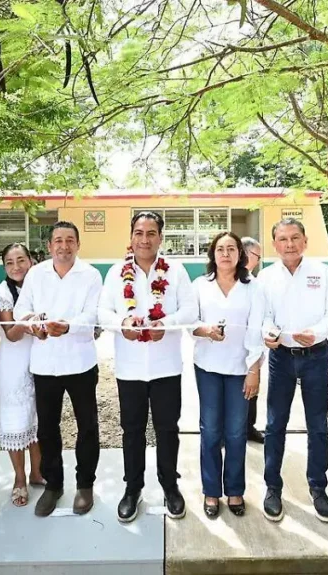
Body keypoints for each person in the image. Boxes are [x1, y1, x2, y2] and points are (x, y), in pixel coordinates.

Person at [98, 211, 197, 523]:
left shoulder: (176, 272)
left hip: (166, 366)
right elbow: (102, 311)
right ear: (131, 237)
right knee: (132, 431)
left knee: (167, 430)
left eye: (151, 233)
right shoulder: (116, 273)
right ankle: (133, 488)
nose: (144, 239)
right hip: (129, 369)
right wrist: (122, 322)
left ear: (160, 237)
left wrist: (165, 324)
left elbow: (191, 310)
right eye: (139, 233)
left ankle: (170, 486)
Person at [14, 221, 104, 517]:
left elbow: (93, 314)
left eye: (69, 241)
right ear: (49, 246)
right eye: (58, 241)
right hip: (44, 364)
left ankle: (85, 484)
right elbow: (21, 308)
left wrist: (66, 327)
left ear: (78, 245)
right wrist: (34, 324)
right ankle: (54, 484)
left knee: (87, 426)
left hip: (80, 362)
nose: (64, 246)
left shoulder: (90, 275)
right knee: (48, 428)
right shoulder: (36, 274)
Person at [259, 218, 328, 522]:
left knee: (318, 426)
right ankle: (272, 487)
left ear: (305, 241)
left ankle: (318, 488)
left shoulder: (322, 273)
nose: (289, 244)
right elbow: (264, 316)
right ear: (275, 244)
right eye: (282, 239)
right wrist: (268, 333)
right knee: (274, 424)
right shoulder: (266, 277)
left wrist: (318, 332)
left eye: (295, 238)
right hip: (281, 357)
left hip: (315, 356)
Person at [192, 232, 264, 518]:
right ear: (213, 254)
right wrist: (206, 330)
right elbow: (190, 322)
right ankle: (211, 491)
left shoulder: (253, 288)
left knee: (236, 433)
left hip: (240, 370)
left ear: (240, 254)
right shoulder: (200, 285)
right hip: (207, 368)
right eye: (220, 249)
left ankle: (235, 490)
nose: (225, 254)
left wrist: (254, 370)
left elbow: (257, 329)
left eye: (231, 249)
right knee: (210, 431)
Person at [0, 243, 44, 507]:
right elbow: (11, 335)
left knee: (36, 422)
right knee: (16, 421)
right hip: (13, 363)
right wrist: (30, 322)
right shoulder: (3, 292)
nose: (16, 267)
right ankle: (19, 479)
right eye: (10, 262)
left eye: (21, 260)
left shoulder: (42, 284)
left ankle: (37, 472)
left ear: (31, 261)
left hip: (40, 361)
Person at [241, 236, 265, 444]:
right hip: (230, 348)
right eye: (257, 256)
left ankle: (249, 427)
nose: (258, 260)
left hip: (253, 347)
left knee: (252, 389)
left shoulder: (256, 284)